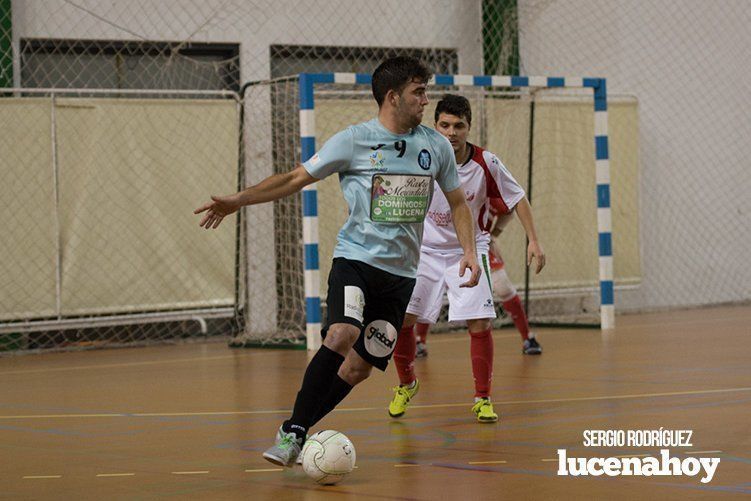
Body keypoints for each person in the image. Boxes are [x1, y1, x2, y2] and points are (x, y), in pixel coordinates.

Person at [194, 57, 481, 466]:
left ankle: (296, 425)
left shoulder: (435, 146)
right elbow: (295, 178)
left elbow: (457, 202)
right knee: (342, 332)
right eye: (419, 92)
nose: (426, 100)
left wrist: (469, 252)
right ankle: (295, 434)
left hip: (401, 276)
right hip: (356, 261)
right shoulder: (354, 140)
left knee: (360, 368)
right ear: (392, 96)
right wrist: (238, 200)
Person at [388, 94, 545, 423]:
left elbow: (517, 198)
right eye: (444, 125)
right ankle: (406, 383)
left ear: (469, 128)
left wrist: (533, 239)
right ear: (435, 126)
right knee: (404, 318)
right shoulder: (419, 156)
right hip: (426, 251)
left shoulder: (487, 162)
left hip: (469, 250)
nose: (451, 132)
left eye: (459, 126)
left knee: (480, 322)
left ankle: (483, 397)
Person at [414, 201, 543, 358]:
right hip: (439, 245)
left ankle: (528, 337)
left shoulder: (486, 178)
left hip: (476, 245)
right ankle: (419, 341)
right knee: (430, 289)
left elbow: (509, 208)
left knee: (502, 287)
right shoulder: (439, 181)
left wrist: (494, 234)